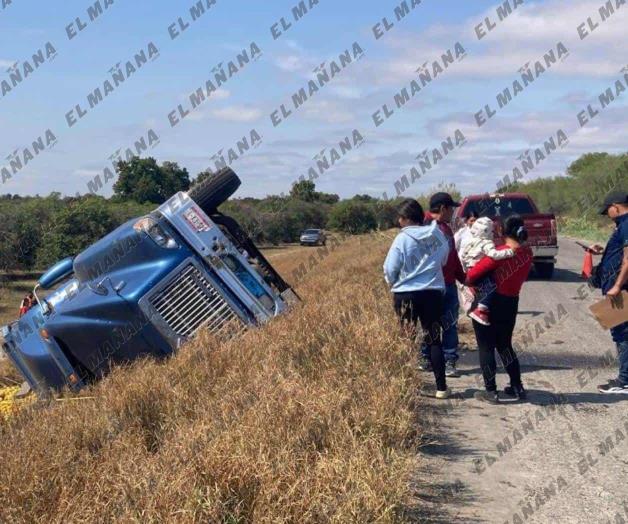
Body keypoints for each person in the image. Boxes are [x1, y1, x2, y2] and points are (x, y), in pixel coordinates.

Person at [383, 198, 451, 398]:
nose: (399, 221)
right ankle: (441, 388)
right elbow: (445, 259)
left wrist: (392, 282)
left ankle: (407, 388)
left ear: (405, 219)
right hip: (432, 292)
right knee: (434, 339)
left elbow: (390, 268)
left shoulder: (402, 239)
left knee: (407, 339)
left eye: (400, 218)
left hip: (406, 294)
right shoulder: (436, 234)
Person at [465, 215, 533, 403]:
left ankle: (490, 391)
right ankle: (517, 386)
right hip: (511, 302)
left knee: (486, 347)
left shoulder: (500, 253)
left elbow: (471, 276)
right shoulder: (527, 253)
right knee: (505, 345)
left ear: (501, 231)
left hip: (489, 304)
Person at [587, 190, 628, 394]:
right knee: (620, 331)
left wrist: (617, 285)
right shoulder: (623, 225)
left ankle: (625, 381)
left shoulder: (627, 224)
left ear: (616, 207)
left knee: (622, 333)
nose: (608, 214)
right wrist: (604, 251)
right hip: (620, 288)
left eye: (608, 210)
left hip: (623, 291)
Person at [422, 192, 466, 377]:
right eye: (451, 209)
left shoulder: (444, 228)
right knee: (437, 324)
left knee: (441, 324)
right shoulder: (426, 228)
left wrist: (463, 279)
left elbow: (453, 258)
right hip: (434, 285)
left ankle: (440, 359)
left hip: (440, 285)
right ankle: (434, 358)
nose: (453, 213)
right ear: (442, 209)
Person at [460, 217, 515, 326]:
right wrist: (509, 252)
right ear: (486, 231)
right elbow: (494, 255)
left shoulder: (469, 241)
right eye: (492, 230)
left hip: (470, 270)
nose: (494, 233)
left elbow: (462, 256)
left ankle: (471, 292)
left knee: (482, 286)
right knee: (491, 286)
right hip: (480, 271)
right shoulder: (487, 243)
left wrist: (465, 270)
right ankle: (481, 310)